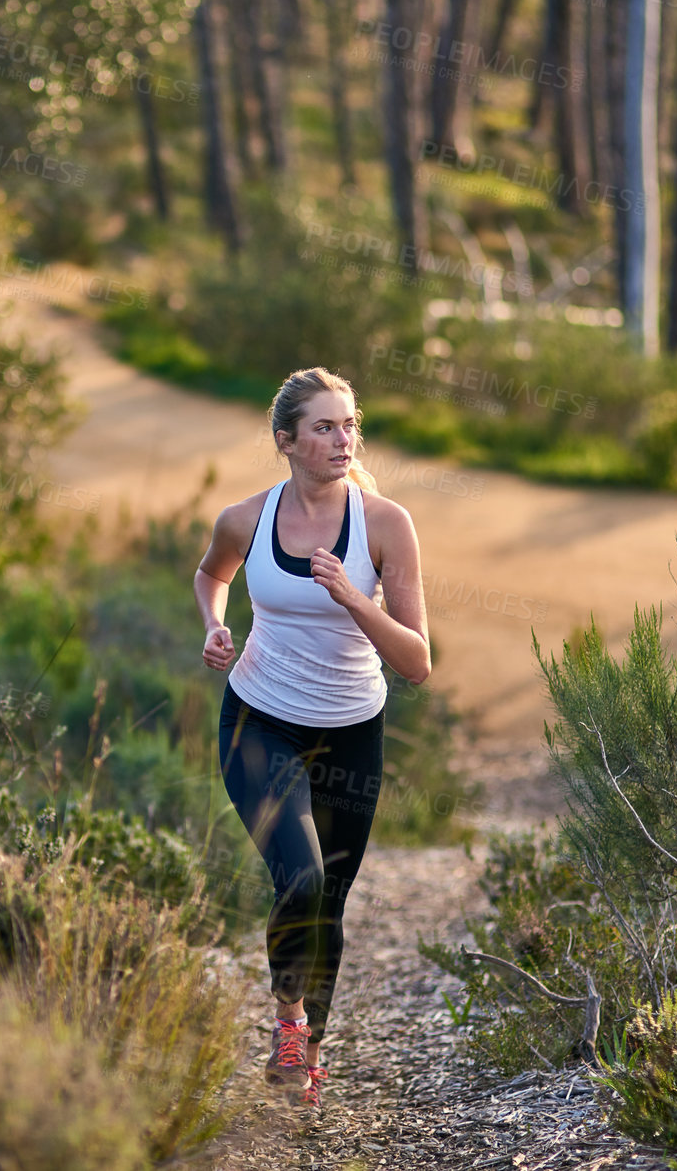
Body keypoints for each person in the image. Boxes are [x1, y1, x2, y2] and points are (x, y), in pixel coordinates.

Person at [194, 366, 431, 1108]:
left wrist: (351, 596)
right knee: (298, 876)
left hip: (350, 733)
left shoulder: (385, 524)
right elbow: (211, 575)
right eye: (324, 427)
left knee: (328, 896)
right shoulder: (245, 518)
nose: (342, 438)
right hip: (258, 720)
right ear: (286, 442)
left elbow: (416, 662)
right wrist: (214, 625)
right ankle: (288, 1023)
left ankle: (314, 1047)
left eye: (350, 424)